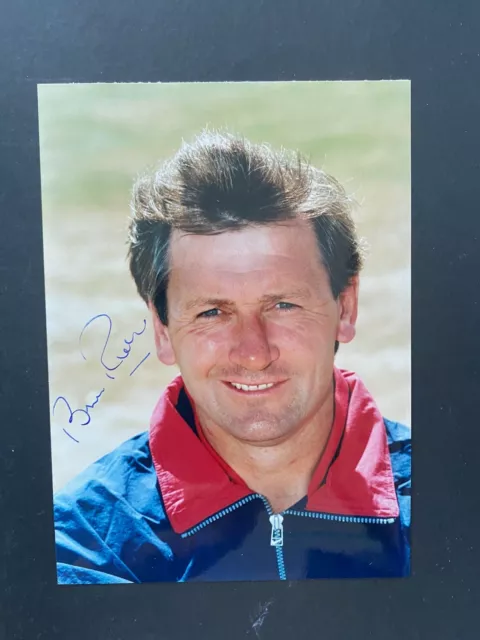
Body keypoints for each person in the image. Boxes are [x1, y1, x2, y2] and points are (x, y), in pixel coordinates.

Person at [54, 131, 411, 584]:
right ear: (162, 330)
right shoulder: (85, 546)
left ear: (346, 306)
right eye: (212, 312)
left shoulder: (453, 503)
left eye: (283, 305)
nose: (254, 353)